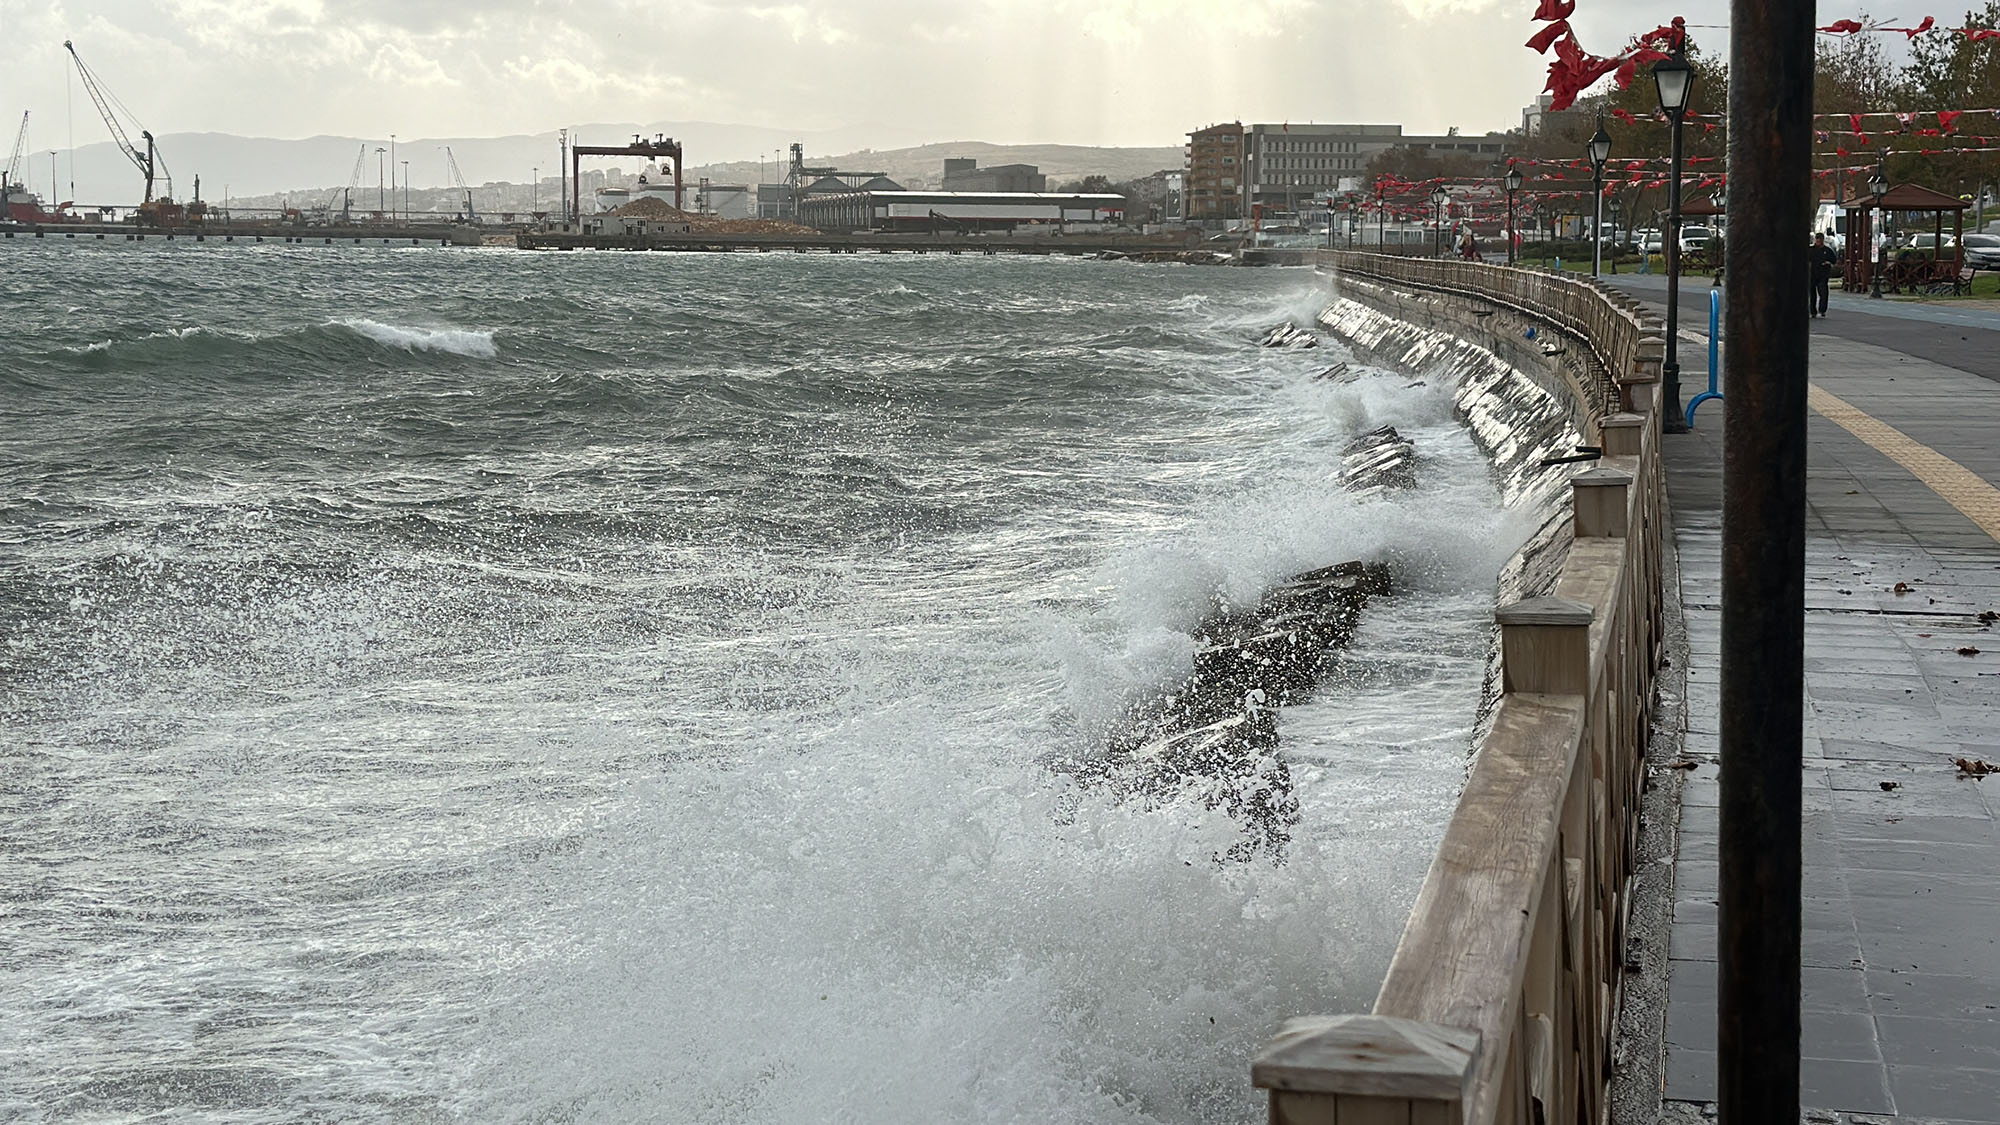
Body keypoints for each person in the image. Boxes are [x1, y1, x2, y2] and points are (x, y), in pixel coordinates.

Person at [1809, 232, 1837, 317]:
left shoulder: (1827, 250)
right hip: (1812, 274)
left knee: (1823, 293)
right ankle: (1813, 311)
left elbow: (1834, 260)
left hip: (1823, 275)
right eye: (1817, 239)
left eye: (1820, 239)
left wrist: (1828, 263)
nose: (1818, 241)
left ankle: (1822, 310)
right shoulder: (1811, 250)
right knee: (1812, 294)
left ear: (1822, 240)